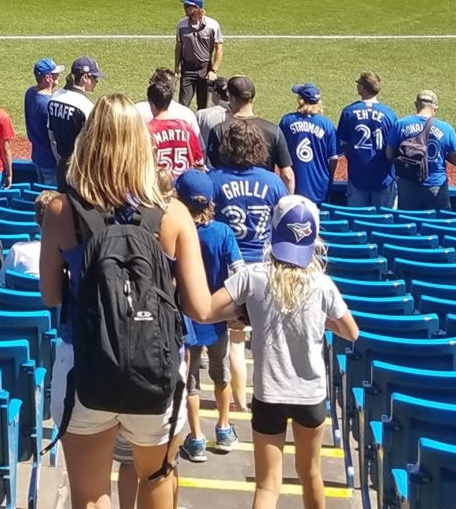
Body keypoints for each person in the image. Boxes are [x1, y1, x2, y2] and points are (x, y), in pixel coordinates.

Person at [37, 95, 209, 509]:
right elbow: (199, 306)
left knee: (90, 496)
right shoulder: (173, 214)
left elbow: (51, 295)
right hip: (156, 367)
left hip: (85, 365)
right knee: (155, 480)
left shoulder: (62, 210)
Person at [200, 196, 357, 509]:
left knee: (267, 486)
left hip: (269, 393)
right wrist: (319, 319)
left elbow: (208, 311)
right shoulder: (322, 284)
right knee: (310, 473)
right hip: (310, 395)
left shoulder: (253, 277)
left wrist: (243, 313)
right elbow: (351, 331)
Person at [173, 171, 240, 463]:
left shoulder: (175, 230)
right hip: (217, 320)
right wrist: (235, 309)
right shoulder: (223, 232)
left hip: (186, 319)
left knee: (190, 382)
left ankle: (197, 437)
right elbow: (238, 272)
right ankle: (224, 428)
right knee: (221, 375)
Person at [209, 116, 285, 263]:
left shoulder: (212, 179)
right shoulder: (273, 182)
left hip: (225, 261)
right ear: (259, 147)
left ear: (225, 147)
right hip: (263, 261)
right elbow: (284, 221)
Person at [202, 77, 292, 186]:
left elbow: (211, 171)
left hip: (229, 196)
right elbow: (287, 175)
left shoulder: (219, 130)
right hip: (264, 195)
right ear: (252, 97)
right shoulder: (274, 130)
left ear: (231, 97)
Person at [391, 90, 456, 212]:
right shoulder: (446, 128)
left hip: (407, 183)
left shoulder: (401, 124)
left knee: (408, 223)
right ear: (435, 108)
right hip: (435, 184)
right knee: (438, 224)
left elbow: (389, 154)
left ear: (416, 104)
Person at [337, 71, 398, 209]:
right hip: (384, 177)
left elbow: (344, 146)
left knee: (357, 221)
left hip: (357, 175)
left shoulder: (348, 112)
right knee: (385, 223)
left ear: (363, 87)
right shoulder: (389, 114)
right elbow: (393, 147)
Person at [143, 70, 204, 185]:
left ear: (151, 103)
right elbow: (199, 163)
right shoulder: (186, 128)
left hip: (157, 190)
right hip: (184, 190)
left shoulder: (147, 131)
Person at [280, 85, 336, 207]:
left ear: (301, 100)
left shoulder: (286, 121)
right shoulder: (327, 125)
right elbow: (333, 159)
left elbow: (279, 155)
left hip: (293, 184)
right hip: (319, 185)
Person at [46, 56, 101, 172]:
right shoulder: (87, 106)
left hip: (62, 164)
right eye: (95, 77)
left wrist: (59, 161)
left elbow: (52, 136)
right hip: (80, 169)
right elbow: (93, 145)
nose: (97, 81)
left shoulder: (54, 97)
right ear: (85, 77)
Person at [172, 0, 223, 111]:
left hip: (204, 69)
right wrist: (176, 67)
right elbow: (179, 46)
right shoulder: (181, 25)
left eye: (187, 6)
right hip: (187, 68)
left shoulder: (212, 25)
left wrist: (213, 70)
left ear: (196, 8)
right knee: (183, 105)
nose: (184, 8)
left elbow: (218, 48)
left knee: (203, 106)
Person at [26, 59, 61, 185]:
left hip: (37, 155)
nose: (58, 76)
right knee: (50, 198)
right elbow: (54, 137)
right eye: (55, 74)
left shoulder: (30, 93)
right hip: (50, 160)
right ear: (48, 78)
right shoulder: (48, 104)